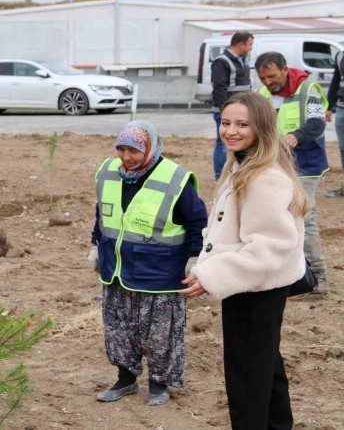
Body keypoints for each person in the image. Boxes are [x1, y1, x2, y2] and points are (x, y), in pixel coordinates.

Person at [181, 91, 309, 430]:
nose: (230, 131)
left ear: (262, 128)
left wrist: (212, 275)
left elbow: (270, 244)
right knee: (266, 367)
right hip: (252, 285)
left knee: (247, 377)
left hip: (256, 288)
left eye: (242, 124)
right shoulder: (243, 165)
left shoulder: (263, 177)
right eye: (225, 123)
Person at [89, 120, 207, 406]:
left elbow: (196, 221)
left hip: (160, 274)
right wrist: (96, 244)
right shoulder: (109, 172)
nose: (126, 157)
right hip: (117, 270)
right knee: (120, 329)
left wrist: (195, 257)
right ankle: (126, 379)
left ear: (151, 148)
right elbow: (103, 213)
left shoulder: (174, 178)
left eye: (134, 151)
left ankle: (159, 383)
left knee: (160, 334)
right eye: (121, 149)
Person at [255, 51, 330, 293]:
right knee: (276, 217)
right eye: (263, 78)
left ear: (285, 70)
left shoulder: (308, 90)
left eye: (272, 76)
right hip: (274, 165)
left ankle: (318, 276)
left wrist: (295, 137)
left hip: (305, 166)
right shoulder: (262, 95)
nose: (268, 82)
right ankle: (287, 274)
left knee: (304, 217)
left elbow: (317, 124)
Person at [211, 31, 254, 180]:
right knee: (223, 144)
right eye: (250, 45)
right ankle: (220, 177)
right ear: (240, 44)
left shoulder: (243, 60)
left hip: (242, 111)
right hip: (227, 112)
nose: (251, 48)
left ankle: (237, 173)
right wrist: (225, 113)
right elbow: (219, 88)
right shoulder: (221, 61)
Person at [326, 47, 344, 170]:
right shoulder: (340, 56)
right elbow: (335, 81)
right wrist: (328, 107)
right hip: (341, 108)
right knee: (343, 148)